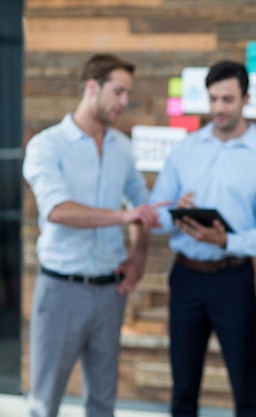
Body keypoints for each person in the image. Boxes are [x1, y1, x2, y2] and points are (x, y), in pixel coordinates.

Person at [23, 53, 163, 417]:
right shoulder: (47, 145)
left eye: (127, 93)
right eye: (118, 92)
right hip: (60, 293)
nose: (124, 101)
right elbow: (57, 210)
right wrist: (124, 215)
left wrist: (139, 259)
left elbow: (141, 205)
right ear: (92, 87)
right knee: (44, 401)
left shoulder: (122, 146)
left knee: (103, 401)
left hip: (109, 292)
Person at [149, 61, 256, 417]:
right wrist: (173, 211)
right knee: (183, 388)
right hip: (185, 279)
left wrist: (224, 241)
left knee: (245, 389)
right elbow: (155, 217)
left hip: (233, 279)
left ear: (246, 98)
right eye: (213, 99)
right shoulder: (185, 149)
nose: (219, 108)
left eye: (227, 99)